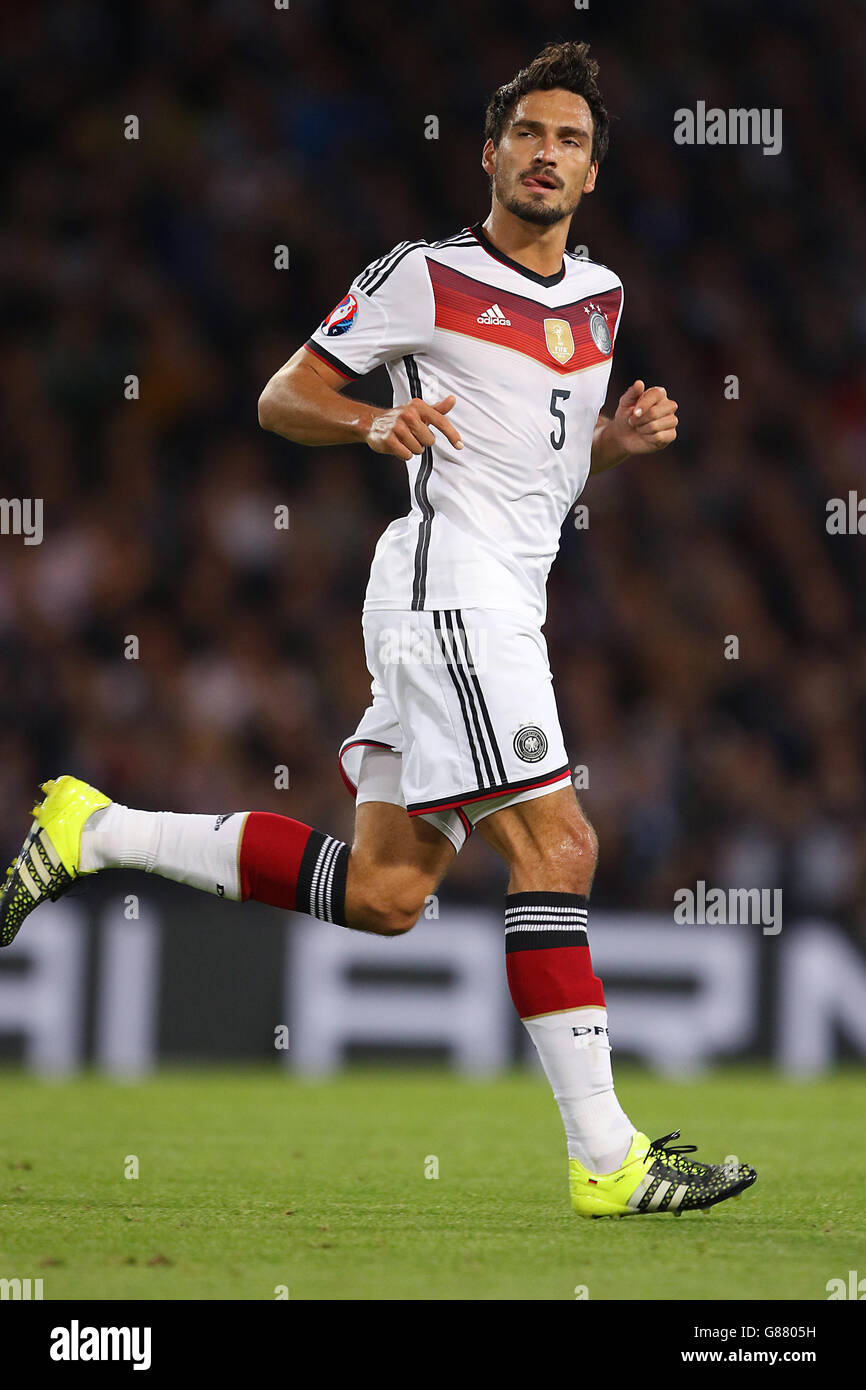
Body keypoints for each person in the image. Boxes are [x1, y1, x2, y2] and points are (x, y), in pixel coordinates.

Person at [2, 40, 755, 1218]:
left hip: (507, 587)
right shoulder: (423, 274)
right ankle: (607, 1159)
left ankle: (96, 832)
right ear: (490, 154)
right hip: (447, 585)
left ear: (593, 172)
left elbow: (535, 471)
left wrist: (608, 443)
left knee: (387, 893)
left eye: (568, 140)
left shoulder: (602, 299)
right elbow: (280, 394)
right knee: (559, 851)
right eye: (527, 135)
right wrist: (368, 426)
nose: (545, 155)